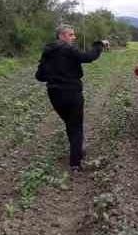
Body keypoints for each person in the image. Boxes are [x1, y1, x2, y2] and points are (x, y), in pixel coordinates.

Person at [38, 25, 104, 172]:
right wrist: (99, 45)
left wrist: (55, 74)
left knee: (70, 123)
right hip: (71, 92)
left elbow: (40, 76)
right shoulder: (68, 48)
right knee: (76, 126)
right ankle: (75, 163)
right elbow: (88, 57)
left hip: (54, 94)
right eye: (71, 35)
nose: (73, 38)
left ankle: (77, 151)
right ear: (61, 36)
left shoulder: (47, 51)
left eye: (73, 35)